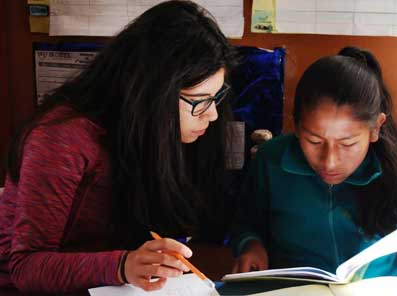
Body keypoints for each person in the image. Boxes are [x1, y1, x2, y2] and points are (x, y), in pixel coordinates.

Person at [0, 0, 237, 293]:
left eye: (216, 97)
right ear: (152, 93)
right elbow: (25, 268)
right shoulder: (62, 138)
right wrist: (123, 265)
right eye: (199, 101)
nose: (212, 114)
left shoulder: (155, 132)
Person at [231, 47, 397, 279]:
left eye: (348, 143)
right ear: (296, 125)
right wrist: (250, 245)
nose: (329, 162)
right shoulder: (271, 160)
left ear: (375, 128)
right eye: (313, 140)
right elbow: (246, 222)